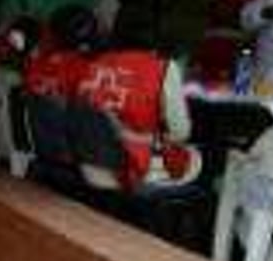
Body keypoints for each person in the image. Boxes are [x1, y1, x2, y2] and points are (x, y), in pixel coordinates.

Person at [71, 15, 204, 191]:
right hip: (132, 169)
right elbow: (180, 132)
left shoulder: (93, 65)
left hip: (89, 165)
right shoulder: (164, 68)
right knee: (196, 158)